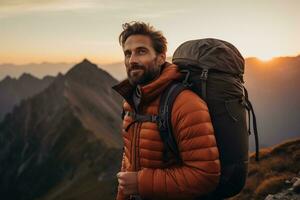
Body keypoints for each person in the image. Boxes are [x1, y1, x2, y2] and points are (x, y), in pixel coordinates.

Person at [112, 21, 220, 200]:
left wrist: (140, 183)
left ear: (161, 58)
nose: (132, 60)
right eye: (127, 53)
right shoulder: (131, 101)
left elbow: (205, 176)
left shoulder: (185, 104)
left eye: (141, 51)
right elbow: (128, 166)